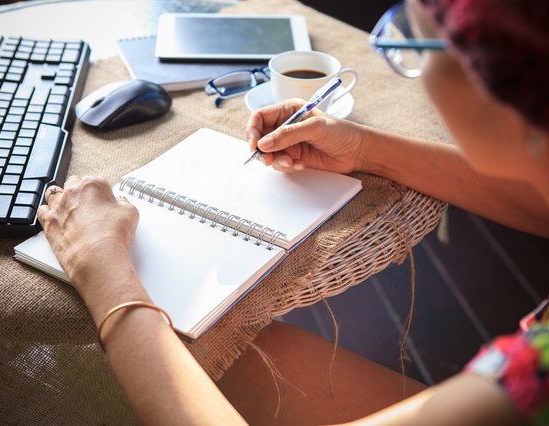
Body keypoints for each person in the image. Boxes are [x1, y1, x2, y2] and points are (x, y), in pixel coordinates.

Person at [36, 0, 548, 424]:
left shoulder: (530, 375)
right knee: (235, 353)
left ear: (502, 83)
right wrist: (365, 150)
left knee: (204, 357)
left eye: (412, 39)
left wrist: (103, 271)